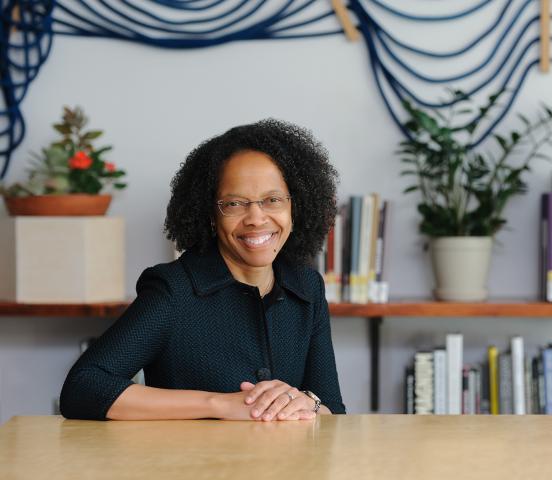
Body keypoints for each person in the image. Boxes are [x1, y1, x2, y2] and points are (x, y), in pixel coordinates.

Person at [60, 119, 345, 421]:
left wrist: (307, 404)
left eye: (273, 200)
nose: (256, 218)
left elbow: (331, 410)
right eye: (235, 204)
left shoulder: (307, 286)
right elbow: (83, 388)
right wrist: (220, 405)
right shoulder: (175, 290)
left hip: (286, 467)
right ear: (211, 214)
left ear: (295, 207)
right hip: (192, 466)